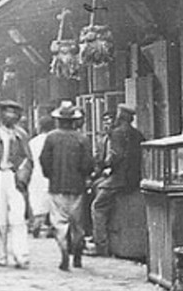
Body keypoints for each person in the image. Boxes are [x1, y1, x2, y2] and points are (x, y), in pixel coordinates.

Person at [39, 101, 96, 271]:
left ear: (58, 120)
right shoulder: (82, 138)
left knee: (59, 222)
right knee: (77, 223)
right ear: (73, 120)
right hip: (77, 187)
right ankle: (77, 252)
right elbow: (88, 163)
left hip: (57, 186)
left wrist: (50, 175)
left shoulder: (51, 138)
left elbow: (44, 160)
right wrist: (84, 175)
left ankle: (64, 250)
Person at [90, 104, 145, 257]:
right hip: (134, 178)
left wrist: (104, 164)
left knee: (98, 207)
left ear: (120, 117)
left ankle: (101, 245)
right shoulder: (138, 134)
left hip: (119, 179)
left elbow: (115, 156)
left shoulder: (117, 133)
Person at [0, 99, 33, 268]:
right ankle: (1, 255)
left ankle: (21, 255)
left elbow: (29, 158)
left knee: (18, 216)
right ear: (1, 114)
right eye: (7, 112)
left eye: (14, 113)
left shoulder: (21, 135)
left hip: (14, 177)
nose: (11, 116)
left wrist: (23, 175)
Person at [26, 115, 55, 237]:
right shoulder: (53, 140)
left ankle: (36, 224)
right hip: (50, 174)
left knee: (37, 200)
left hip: (36, 174)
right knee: (51, 200)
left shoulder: (33, 142)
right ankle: (50, 226)